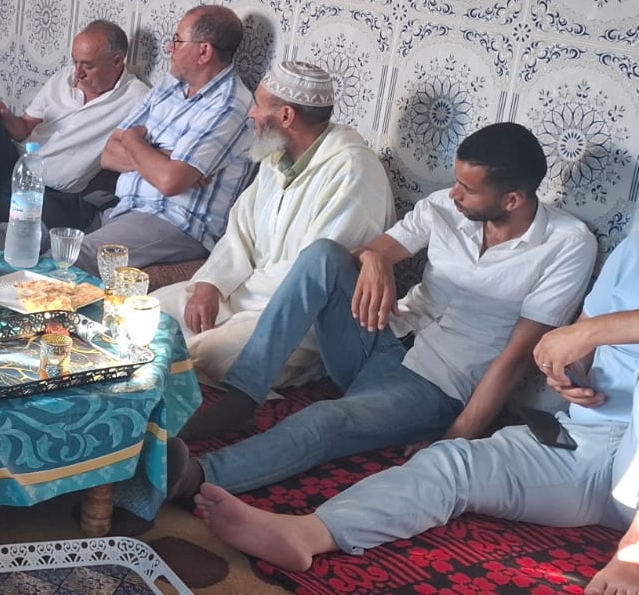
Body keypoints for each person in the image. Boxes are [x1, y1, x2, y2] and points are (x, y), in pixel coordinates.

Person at [169, 123, 597, 503]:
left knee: (325, 418)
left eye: (468, 189)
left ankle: (197, 475)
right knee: (322, 255)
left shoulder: (567, 244)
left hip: (436, 386)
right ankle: (243, 396)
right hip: (381, 338)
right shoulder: (444, 208)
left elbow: (517, 356)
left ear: (512, 199)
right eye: (456, 181)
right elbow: (373, 250)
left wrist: (454, 440)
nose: (454, 193)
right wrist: (376, 259)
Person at [193, 232, 639, 595]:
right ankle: (309, 533)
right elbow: (584, 336)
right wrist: (570, 370)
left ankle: (632, 557)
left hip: (627, 459)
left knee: (332, 420)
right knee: (452, 463)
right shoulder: (632, 244)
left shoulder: (565, 240)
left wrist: (589, 334)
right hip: (586, 442)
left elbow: (580, 333)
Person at [151, 60, 395, 389]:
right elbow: (240, 230)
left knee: (207, 355)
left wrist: (240, 296)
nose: (251, 113)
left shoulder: (352, 170)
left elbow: (315, 273)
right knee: (149, 317)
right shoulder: (276, 157)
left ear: (286, 116)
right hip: (241, 293)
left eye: (258, 104)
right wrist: (211, 284)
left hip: (299, 317)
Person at [77, 5, 256, 273]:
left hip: (174, 222)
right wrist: (161, 159)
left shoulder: (229, 105)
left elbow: (169, 182)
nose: (170, 48)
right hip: (124, 209)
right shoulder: (169, 86)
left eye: (177, 40)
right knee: (30, 236)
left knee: (74, 256)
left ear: (204, 51)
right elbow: (109, 154)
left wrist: (135, 141)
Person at [0, 20, 150, 230]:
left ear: (117, 62)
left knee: (52, 219)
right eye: (75, 62)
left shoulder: (137, 98)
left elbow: (139, 152)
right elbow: (24, 128)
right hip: (14, 170)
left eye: (88, 65)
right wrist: (5, 115)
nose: (78, 73)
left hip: (51, 194)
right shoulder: (63, 78)